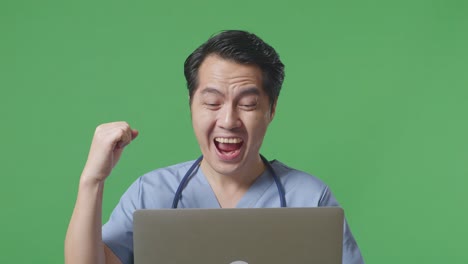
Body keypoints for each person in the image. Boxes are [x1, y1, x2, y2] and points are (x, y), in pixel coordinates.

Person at [65, 30, 364, 264]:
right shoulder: (151, 193)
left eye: (248, 104)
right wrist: (92, 180)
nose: (228, 120)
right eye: (212, 103)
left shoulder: (310, 199)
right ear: (192, 106)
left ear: (271, 110)